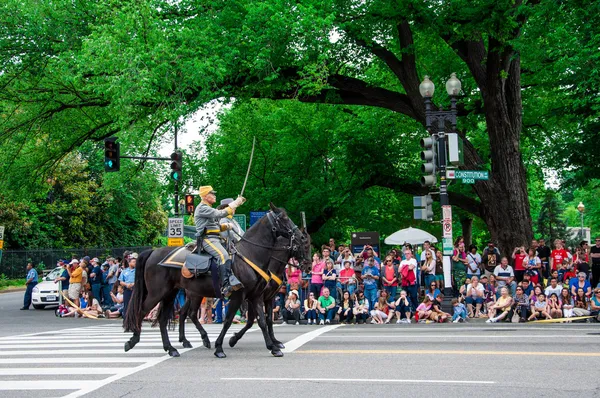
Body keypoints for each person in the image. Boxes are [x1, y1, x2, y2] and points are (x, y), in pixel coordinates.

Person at [194, 185, 246, 297]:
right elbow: (220, 213)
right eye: (212, 193)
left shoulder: (208, 208)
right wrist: (236, 203)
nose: (214, 195)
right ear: (205, 196)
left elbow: (215, 227)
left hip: (215, 238)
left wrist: (225, 226)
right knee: (224, 256)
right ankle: (226, 285)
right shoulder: (202, 207)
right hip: (207, 239)